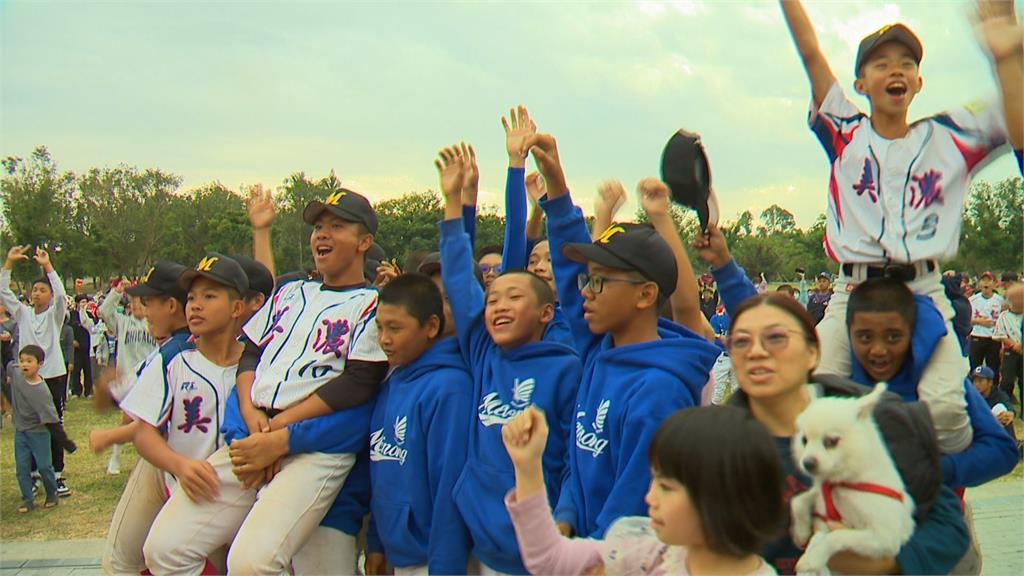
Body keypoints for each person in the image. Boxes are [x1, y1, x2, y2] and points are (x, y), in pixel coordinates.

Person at [778, 0, 1022, 455]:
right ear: (860, 83)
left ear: (917, 82)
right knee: (817, 405)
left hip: (923, 291)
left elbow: (1017, 124)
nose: (896, 70)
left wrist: (1008, 55)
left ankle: (931, 500)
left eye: (906, 63)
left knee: (947, 415)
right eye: (881, 63)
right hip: (852, 291)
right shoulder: (845, 130)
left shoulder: (949, 136)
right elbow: (811, 54)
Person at [145, 190, 388, 575]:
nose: (322, 234)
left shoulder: (374, 303)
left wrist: (277, 431)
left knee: (250, 564)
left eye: (337, 226)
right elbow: (252, 354)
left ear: (364, 242)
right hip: (255, 430)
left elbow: (359, 383)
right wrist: (250, 414)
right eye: (318, 227)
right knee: (164, 548)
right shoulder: (291, 292)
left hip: (313, 446)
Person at [525, 132, 719, 540]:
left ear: (645, 295)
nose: (584, 293)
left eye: (599, 283)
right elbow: (578, 470)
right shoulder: (602, 349)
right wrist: (564, 517)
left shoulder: (659, 390)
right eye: (587, 281)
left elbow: (631, 508)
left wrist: (584, 555)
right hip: (581, 547)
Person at [724, 293, 971, 574]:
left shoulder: (872, 421)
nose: (756, 351)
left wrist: (886, 566)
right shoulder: (715, 444)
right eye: (741, 341)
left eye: (776, 337)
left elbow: (948, 525)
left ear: (812, 352)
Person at [436, 144, 581, 575]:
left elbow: (574, 454)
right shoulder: (484, 353)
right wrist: (451, 201)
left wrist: (567, 514)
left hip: (539, 548)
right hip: (481, 546)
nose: (497, 305)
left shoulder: (567, 367)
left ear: (545, 313)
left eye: (513, 297)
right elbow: (460, 280)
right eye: (493, 298)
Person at [502, 405, 782, 575]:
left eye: (666, 487)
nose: (650, 498)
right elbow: (549, 559)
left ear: (721, 497)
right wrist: (527, 466)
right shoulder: (645, 555)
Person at [363, 274, 473, 575]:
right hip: (397, 553)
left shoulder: (450, 388)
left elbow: (448, 487)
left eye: (395, 328)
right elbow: (382, 466)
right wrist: (375, 542)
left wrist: (446, 567)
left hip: (432, 559)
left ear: (431, 327)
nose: (384, 339)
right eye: (380, 328)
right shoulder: (394, 380)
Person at [99, 260, 194, 575]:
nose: (144, 309)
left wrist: (108, 436)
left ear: (171, 305)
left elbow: (136, 416)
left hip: (168, 461)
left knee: (122, 561)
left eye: (149, 302)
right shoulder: (182, 345)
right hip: (181, 461)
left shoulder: (175, 351)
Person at [0, 246, 73, 496]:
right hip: (28, 378)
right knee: (30, 425)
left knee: (53, 424)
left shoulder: (55, 315)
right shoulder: (23, 315)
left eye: (42, 290)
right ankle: (33, 474)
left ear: (49, 295)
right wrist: (9, 262)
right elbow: (3, 292)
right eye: (34, 290)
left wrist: (48, 266)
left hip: (53, 376)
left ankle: (56, 473)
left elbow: (62, 297)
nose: (37, 294)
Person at [10, 344, 61, 512]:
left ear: (40, 364)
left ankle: (52, 493)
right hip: (21, 431)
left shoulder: (42, 390)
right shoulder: (15, 373)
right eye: (22, 360)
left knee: (45, 466)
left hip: (39, 432)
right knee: (22, 467)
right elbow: (9, 365)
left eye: (29, 361)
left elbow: (52, 416)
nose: (24, 364)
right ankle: (27, 500)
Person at [969, 271, 1005, 377]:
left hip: (993, 339)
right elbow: (966, 319)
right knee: (974, 368)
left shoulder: (1000, 300)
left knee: (993, 368)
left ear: (994, 284)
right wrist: (978, 321)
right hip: (977, 337)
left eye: (989, 280)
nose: (986, 283)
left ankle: (993, 391)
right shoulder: (972, 300)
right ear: (980, 283)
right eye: (983, 280)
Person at [971, 365, 1018, 443]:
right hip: (977, 433)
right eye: (975, 381)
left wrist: (1010, 413)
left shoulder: (998, 394)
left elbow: (1008, 406)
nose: (976, 384)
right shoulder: (971, 396)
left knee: (1001, 410)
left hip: (994, 431)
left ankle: (1012, 444)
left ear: (990, 383)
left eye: (980, 381)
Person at [994, 282, 1023, 402]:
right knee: (1007, 381)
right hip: (1010, 352)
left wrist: (1021, 345)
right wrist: (1013, 345)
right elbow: (1000, 334)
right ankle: (1004, 405)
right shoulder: (1004, 316)